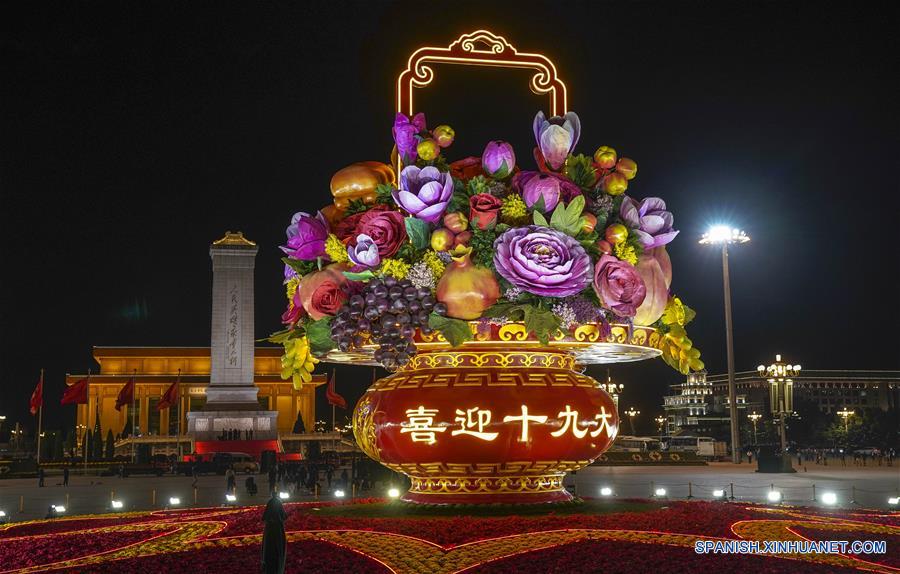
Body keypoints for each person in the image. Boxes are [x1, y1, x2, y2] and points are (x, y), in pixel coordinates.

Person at [261, 492, 287, 574]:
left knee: (269, 549)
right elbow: (284, 515)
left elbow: (264, 516)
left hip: (270, 529)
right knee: (278, 549)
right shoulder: (278, 502)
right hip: (278, 529)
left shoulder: (270, 502)